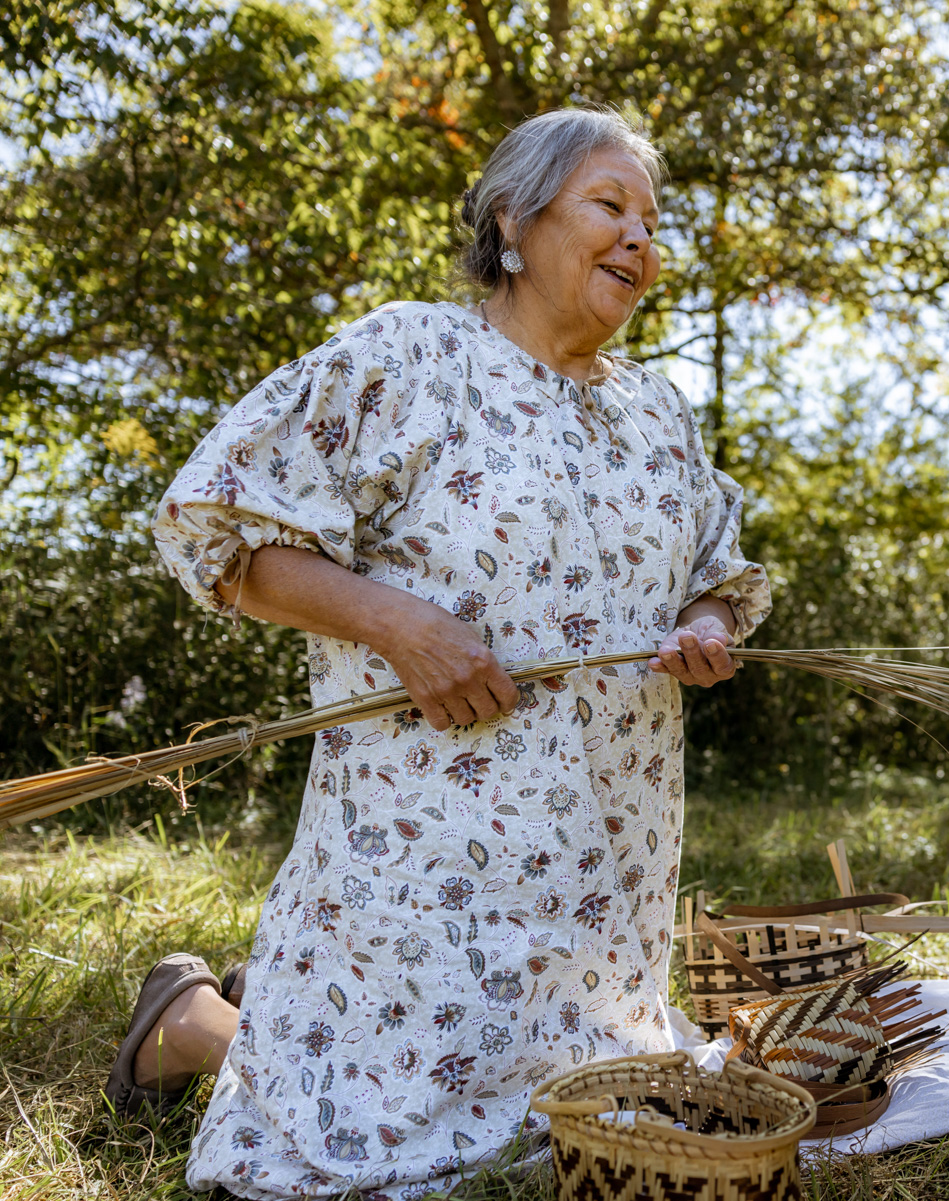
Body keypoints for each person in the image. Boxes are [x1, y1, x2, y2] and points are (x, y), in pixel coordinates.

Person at [106, 107, 769, 1198]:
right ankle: (187, 1022)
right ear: (514, 220)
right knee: (374, 1127)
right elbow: (223, 538)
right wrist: (400, 626)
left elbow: (714, 571)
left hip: (609, 844)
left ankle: (229, 1014)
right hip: (425, 837)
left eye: (653, 223)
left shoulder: (659, 413)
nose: (642, 242)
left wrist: (702, 627)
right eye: (611, 207)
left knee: (566, 1111)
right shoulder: (413, 355)